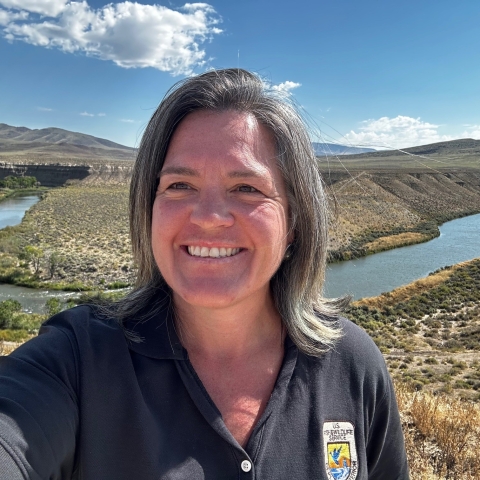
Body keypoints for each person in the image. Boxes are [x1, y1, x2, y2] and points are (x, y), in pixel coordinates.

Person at [0, 68, 409, 479]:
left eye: (247, 188)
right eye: (179, 185)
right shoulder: (78, 360)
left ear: (294, 224)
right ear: (150, 209)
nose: (210, 218)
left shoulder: (351, 365)